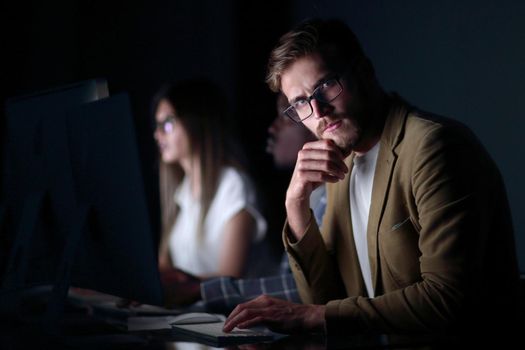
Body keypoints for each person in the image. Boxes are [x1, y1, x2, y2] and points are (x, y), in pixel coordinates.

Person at [223, 18, 520, 335]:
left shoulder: (434, 147)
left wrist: (313, 315)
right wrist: (296, 205)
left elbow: (446, 299)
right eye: (300, 103)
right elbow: (327, 303)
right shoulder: (341, 162)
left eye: (325, 86)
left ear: (364, 71)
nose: (319, 111)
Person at [199, 93, 324, 313]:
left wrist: (199, 291)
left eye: (286, 118)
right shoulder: (309, 193)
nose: (272, 128)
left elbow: (303, 290)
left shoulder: (326, 197)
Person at [152, 79, 267, 305]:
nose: (158, 135)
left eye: (167, 123)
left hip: (241, 325)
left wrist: (177, 289)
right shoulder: (181, 192)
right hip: (196, 322)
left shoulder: (233, 184)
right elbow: (163, 270)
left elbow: (230, 279)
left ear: (196, 122)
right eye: (156, 126)